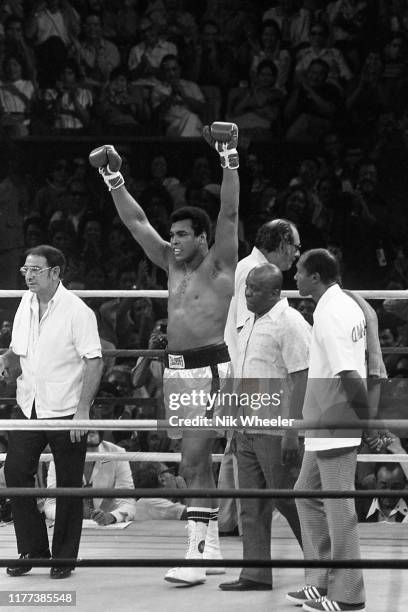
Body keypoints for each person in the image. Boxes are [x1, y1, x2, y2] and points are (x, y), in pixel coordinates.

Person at [89, 121, 239, 586]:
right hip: (179, 371)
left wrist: (228, 156)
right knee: (192, 464)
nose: (172, 240)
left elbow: (230, 214)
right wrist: (115, 178)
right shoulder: (171, 266)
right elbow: (136, 223)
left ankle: (197, 555)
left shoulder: (219, 264)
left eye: (181, 234)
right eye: (171, 233)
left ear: (202, 237)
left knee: (195, 462)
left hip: (212, 367)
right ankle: (208, 549)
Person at [0, 244, 103, 579]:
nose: (28, 276)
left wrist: (82, 412)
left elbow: (95, 360)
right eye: (25, 270)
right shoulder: (25, 305)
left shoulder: (77, 311)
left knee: (68, 484)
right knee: (15, 474)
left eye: (36, 270)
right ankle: (33, 548)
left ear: (56, 272)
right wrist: (7, 363)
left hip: (66, 410)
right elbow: (19, 350)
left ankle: (63, 558)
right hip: (29, 405)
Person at [219, 263, 310, 591]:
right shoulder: (248, 322)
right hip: (246, 426)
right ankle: (255, 573)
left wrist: (292, 431)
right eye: (246, 289)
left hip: (275, 428)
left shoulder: (290, 323)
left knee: (289, 500)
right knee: (251, 504)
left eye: (255, 290)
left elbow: (302, 378)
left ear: (275, 292)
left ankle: (323, 568)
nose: (247, 294)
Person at [287, 248, 367, 612]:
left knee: (339, 509)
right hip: (325, 419)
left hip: (336, 418)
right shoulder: (342, 304)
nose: (295, 278)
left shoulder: (333, 311)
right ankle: (319, 582)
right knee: (305, 493)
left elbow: (347, 371)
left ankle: (349, 595)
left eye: (300, 273)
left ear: (315, 277)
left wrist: (367, 417)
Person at [44, 429, 136, 525]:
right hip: (71, 525)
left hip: (109, 529)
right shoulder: (60, 454)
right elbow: (50, 503)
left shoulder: (117, 453)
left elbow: (128, 503)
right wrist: (70, 514)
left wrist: (112, 516)